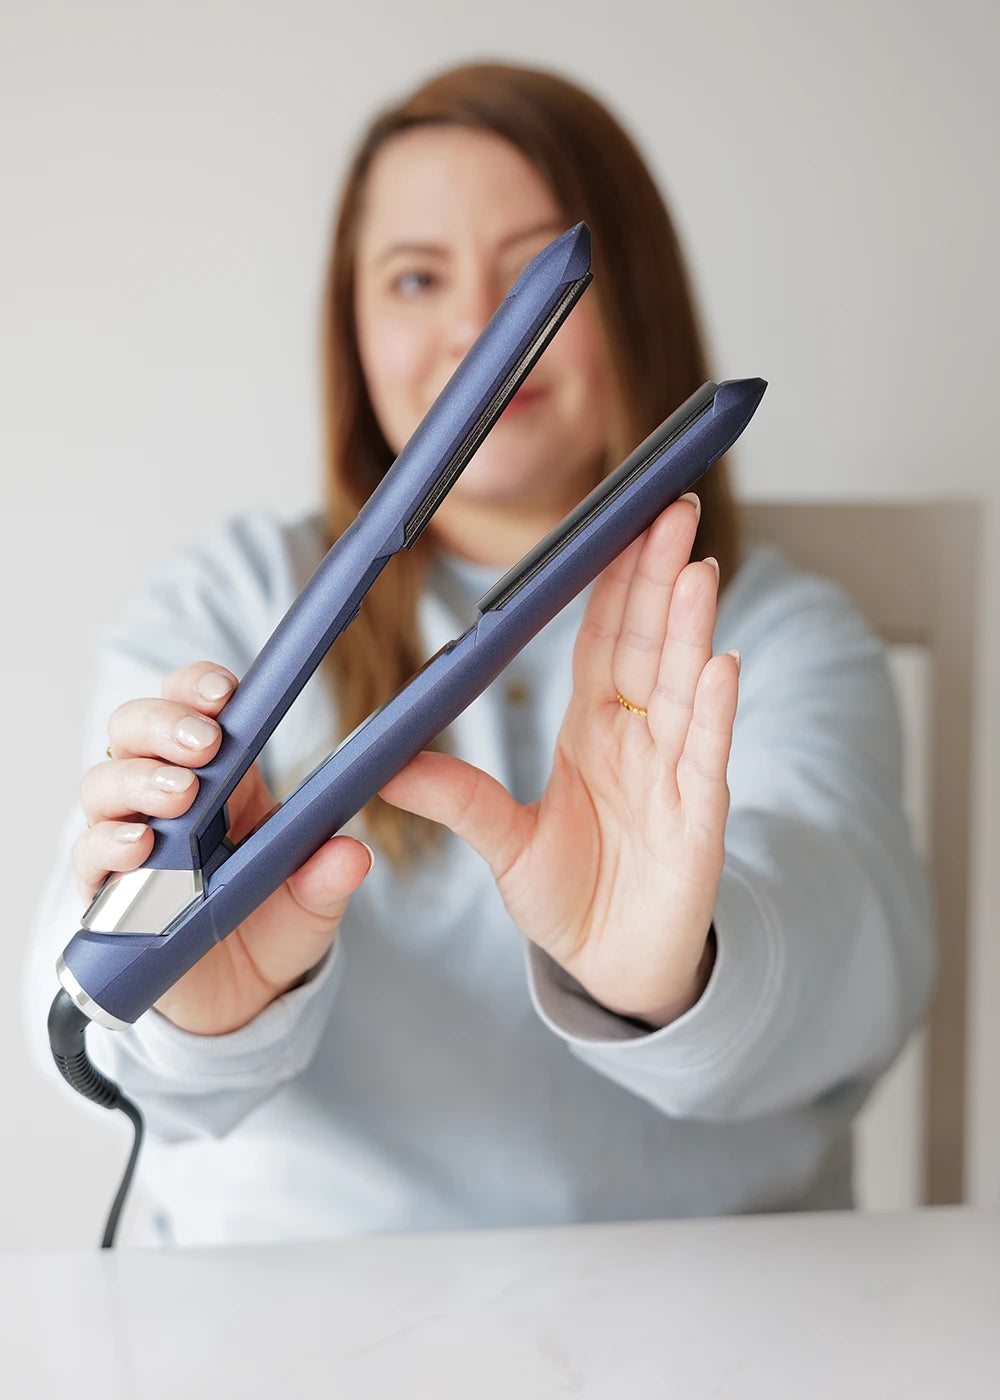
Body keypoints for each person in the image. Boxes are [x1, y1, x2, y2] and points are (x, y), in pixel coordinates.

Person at [31, 61, 934, 1246]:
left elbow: (857, 961)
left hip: (700, 1317)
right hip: (282, 1317)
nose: (474, 329)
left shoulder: (773, 626)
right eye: (415, 277)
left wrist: (676, 966)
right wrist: (196, 1014)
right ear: (351, 329)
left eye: (527, 277)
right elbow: (89, 1020)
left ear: (634, 298)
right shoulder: (228, 596)